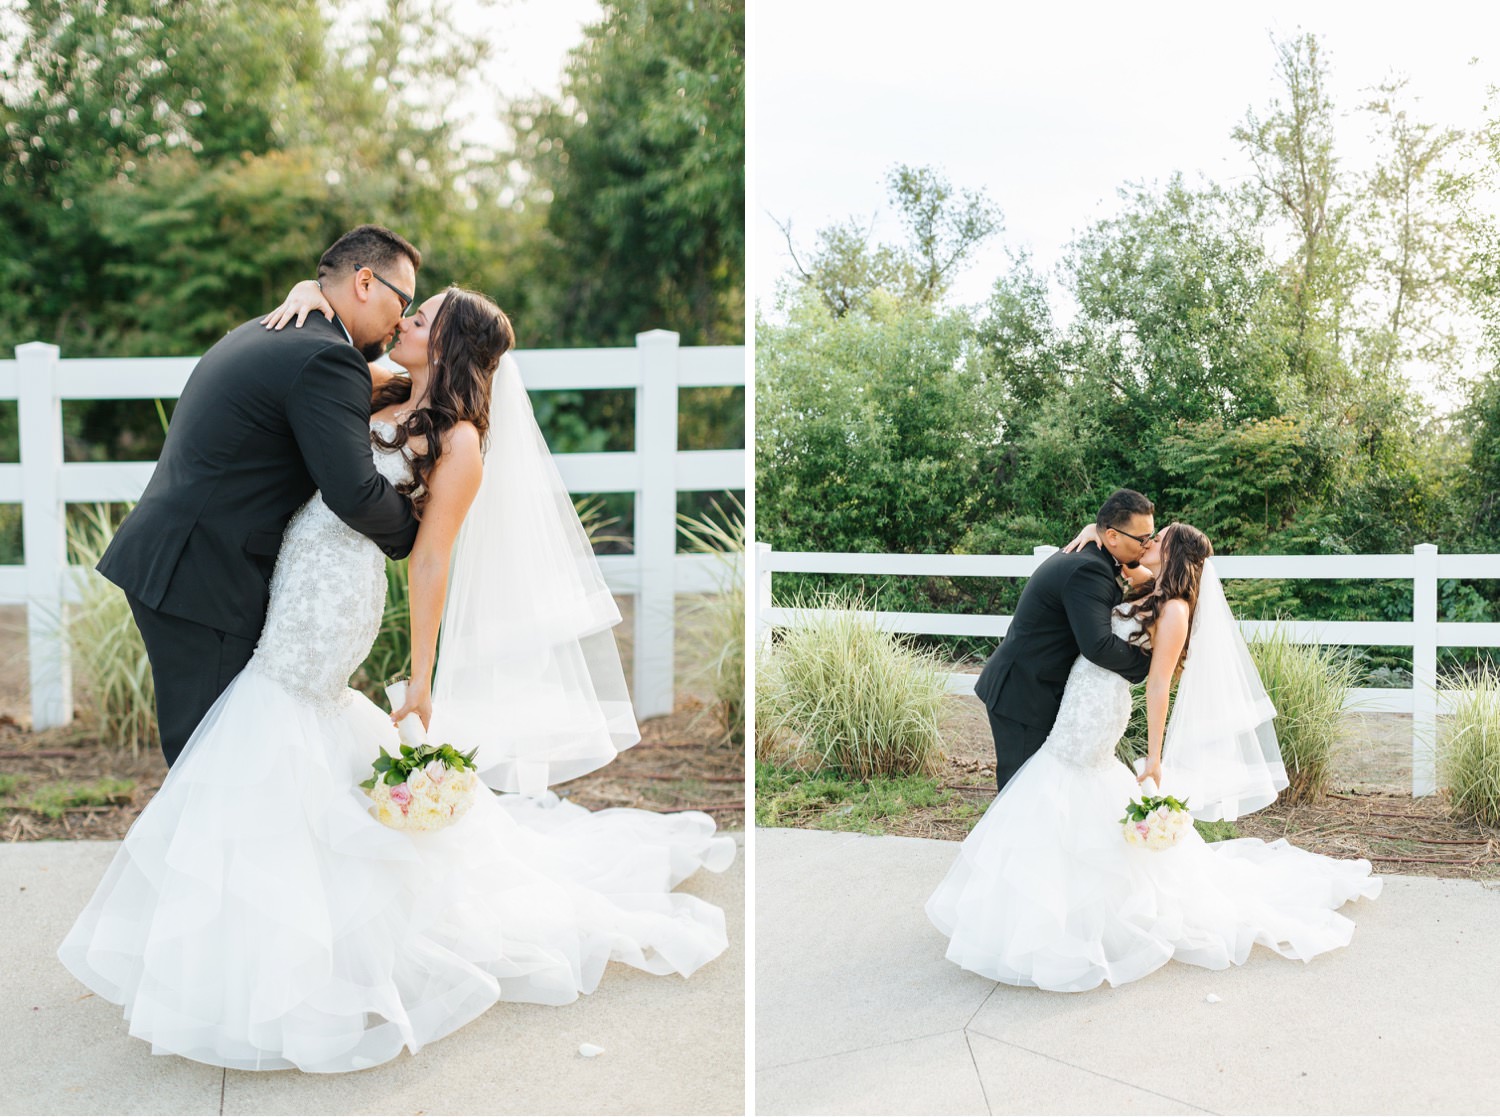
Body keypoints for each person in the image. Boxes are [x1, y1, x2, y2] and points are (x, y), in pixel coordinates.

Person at [58, 276, 734, 1073]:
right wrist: (312, 284)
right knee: (283, 735)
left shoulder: (462, 444)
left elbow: (433, 559)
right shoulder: (378, 384)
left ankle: (277, 955)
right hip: (290, 575)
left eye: (423, 316)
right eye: (409, 307)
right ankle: (267, 934)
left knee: (273, 719)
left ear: (450, 345)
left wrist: (422, 679)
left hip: (335, 597)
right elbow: (325, 350)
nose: (405, 321)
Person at [927, 523, 1380, 992]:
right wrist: (1091, 529)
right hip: (1078, 697)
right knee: (1065, 785)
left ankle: (1064, 920)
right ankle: (1040, 909)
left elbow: (1159, 683)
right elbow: (1118, 549)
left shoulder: (1178, 610)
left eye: (1158, 539)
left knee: (1067, 780)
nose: (1149, 543)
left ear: (1176, 553)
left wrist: (1155, 758)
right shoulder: (1150, 583)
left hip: (1101, 707)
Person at [96, 225, 422, 767]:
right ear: (365, 282)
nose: (401, 319)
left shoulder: (273, 331)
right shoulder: (327, 357)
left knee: (217, 755)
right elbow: (355, 492)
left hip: (181, 563)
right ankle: (198, 855)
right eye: (402, 299)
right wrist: (419, 530)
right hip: (203, 576)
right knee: (215, 765)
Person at [974, 489, 1156, 791]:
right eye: (1142, 539)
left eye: (1152, 536)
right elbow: (1097, 645)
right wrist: (1148, 664)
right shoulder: (1090, 569)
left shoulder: (1096, 555)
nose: (1148, 544)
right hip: (1023, 692)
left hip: (1037, 686)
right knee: (1020, 794)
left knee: (1043, 792)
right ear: (1111, 536)